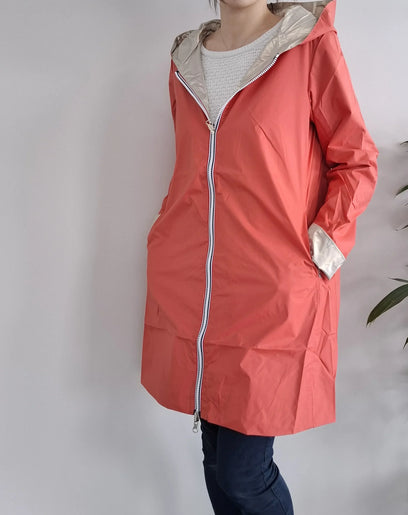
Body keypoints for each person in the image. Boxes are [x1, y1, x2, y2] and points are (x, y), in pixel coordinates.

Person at [140, 0, 379, 513]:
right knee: (214, 458)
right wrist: (164, 233)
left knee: (243, 472)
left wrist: (323, 244)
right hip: (193, 286)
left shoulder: (307, 46)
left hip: (272, 292)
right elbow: (191, 170)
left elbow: (356, 160)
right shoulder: (186, 61)